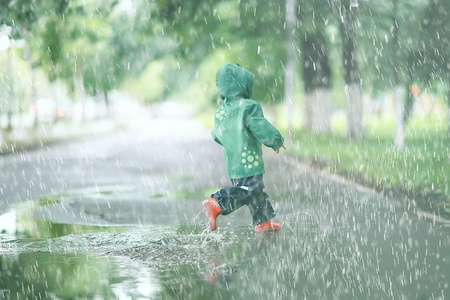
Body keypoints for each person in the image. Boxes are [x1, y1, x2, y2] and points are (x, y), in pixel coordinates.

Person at [203, 63, 286, 233]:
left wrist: (232, 143)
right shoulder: (248, 106)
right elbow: (259, 126)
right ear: (243, 85)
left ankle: (262, 222)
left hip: (233, 161)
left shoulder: (221, 111)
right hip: (249, 160)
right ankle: (217, 203)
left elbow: (216, 134)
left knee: (256, 192)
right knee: (250, 190)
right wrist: (275, 140)